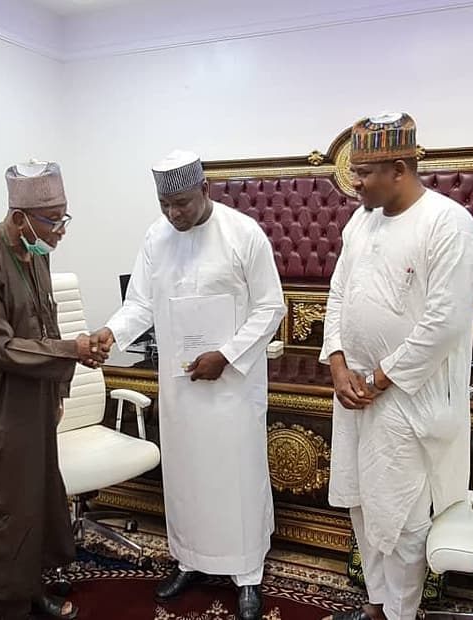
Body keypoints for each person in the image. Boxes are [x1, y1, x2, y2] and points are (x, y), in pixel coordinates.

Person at [90, 150, 286, 620]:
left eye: (182, 203)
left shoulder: (243, 234)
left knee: (237, 478)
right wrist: (110, 333)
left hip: (232, 389)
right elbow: (139, 303)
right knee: (186, 477)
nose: (174, 214)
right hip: (181, 386)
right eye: (165, 204)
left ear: (205, 190)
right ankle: (190, 560)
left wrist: (228, 355)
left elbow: (270, 306)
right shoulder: (156, 239)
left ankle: (247, 574)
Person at [319, 113, 473, 620]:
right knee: (364, 508)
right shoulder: (360, 220)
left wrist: (380, 378)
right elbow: (339, 293)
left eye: (363, 173)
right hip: (357, 392)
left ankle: (400, 614)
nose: (354, 184)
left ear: (398, 168)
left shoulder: (448, 224)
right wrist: (338, 365)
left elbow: (444, 323)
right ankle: (374, 607)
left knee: (404, 518)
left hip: (409, 398)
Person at [0, 161, 108, 620]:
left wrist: (59, 389)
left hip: (34, 399)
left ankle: (32, 588)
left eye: (64, 217)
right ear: (19, 217)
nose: (60, 231)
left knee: (37, 499)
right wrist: (72, 351)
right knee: (2, 509)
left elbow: (46, 319)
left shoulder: (35, 250)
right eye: (52, 220)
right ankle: (8, 604)